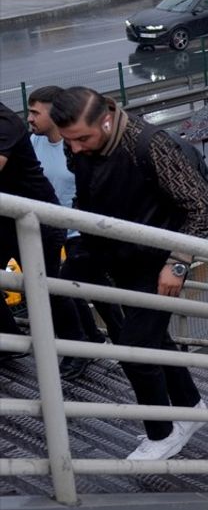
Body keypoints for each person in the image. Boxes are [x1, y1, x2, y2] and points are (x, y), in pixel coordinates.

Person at [50, 87, 208, 461]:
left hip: (158, 262)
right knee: (150, 337)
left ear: (106, 119)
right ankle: (190, 406)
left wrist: (177, 262)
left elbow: (202, 206)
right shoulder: (81, 144)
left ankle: (161, 433)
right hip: (115, 253)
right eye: (69, 141)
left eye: (82, 139)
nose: (74, 148)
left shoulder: (148, 144)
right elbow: (90, 191)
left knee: (135, 348)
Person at [26, 86, 119, 379]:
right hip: (49, 229)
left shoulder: (74, 146)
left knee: (70, 285)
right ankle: (99, 341)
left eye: (34, 112)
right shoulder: (32, 143)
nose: (29, 118)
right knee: (80, 288)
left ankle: (106, 343)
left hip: (80, 230)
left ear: (55, 114)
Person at [0, 102, 67, 356]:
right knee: (45, 288)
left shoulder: (5, 123)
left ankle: (81, 345)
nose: (29, 118)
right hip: (8, 218)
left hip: (38, 220)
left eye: (35, 112)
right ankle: (11, 340)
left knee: (47, 289)